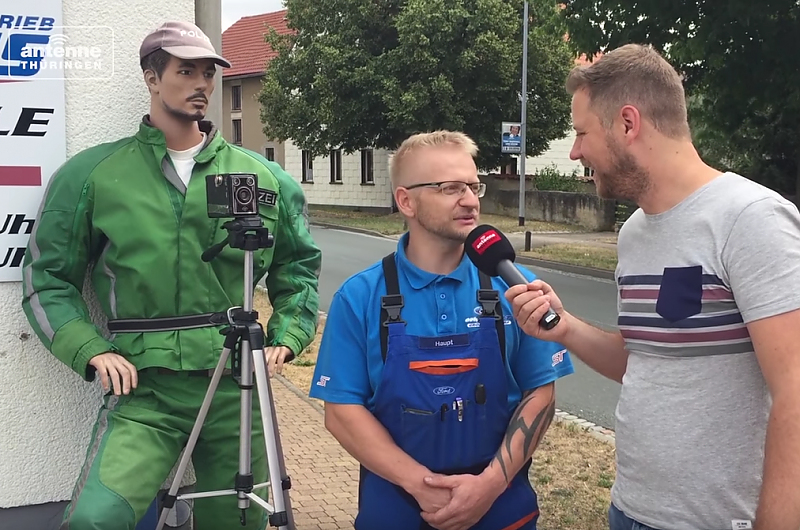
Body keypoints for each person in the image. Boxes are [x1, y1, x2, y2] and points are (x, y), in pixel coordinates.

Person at [20, 21, 321, 530]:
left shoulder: (264, 178)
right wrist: (90, 349)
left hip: (238, 387)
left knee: (240, 521)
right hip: (146, 390)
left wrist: (289, 336)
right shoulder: (93, 175)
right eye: (186, 70)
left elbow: (298, 267)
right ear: (152, 78)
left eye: (209, 72)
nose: (202, 84)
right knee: (97, 519)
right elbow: (47, 279)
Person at [505, 43, 800, 530]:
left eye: (581, 133)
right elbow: (644, 360)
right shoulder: (636, 232)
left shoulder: (751, 220)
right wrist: (565, 328)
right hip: (631, 511)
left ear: (627, 123)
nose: (576, 151)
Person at [309, 130, 574, 530]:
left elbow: (541, 391)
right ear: (406, 201)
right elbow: (342, 411)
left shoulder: (516, 286)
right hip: (398, 507)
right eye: (449, 188)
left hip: (500, 506)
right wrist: (421, 486)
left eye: (472, 185)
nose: (469, 200)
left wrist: (488, 486)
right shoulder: (360, 297)